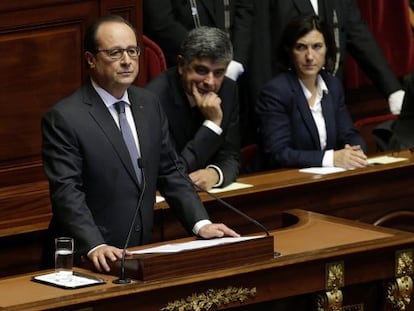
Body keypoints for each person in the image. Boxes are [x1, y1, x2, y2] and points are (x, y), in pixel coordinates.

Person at [41, 15, 239, 273]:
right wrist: (94, 245)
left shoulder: (148, 105)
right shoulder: (65, 117)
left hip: (139, 253)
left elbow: (171, 172)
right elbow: (67, 192)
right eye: (115, 53)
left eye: (132, 51)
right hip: (85, 260)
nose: (126, 61)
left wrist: (200, 224)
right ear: (91, 59)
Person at [251, 0, 405, 117]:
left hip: (330, 95)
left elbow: (358, 33)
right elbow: (261, 46)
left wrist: (393, 90)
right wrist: (266, 104)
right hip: (286, 101)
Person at [255, 14, 369, 169]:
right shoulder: (276, 92)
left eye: (317, 46)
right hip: (288, 182)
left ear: (327, 49)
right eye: (301, 47)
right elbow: (279, 153)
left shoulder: (332, 85)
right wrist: (331, 158)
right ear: (289, 51)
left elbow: (349, 134)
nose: (309, 56)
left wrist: (355, 152)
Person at [146, 27, 240, 190]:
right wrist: (212, 125)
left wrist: (215, 174)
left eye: (218, 73)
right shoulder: (154, 99)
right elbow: (171, 173)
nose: (210, 82)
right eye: (202, 70)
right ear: (182, 65)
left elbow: (231, 156)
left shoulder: (229, 90)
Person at [143, 0, 253, 81]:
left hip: (233, 68)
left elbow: (244, 9)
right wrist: (211, 59)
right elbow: (162, 23)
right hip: (184, 69)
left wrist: (236, 62)